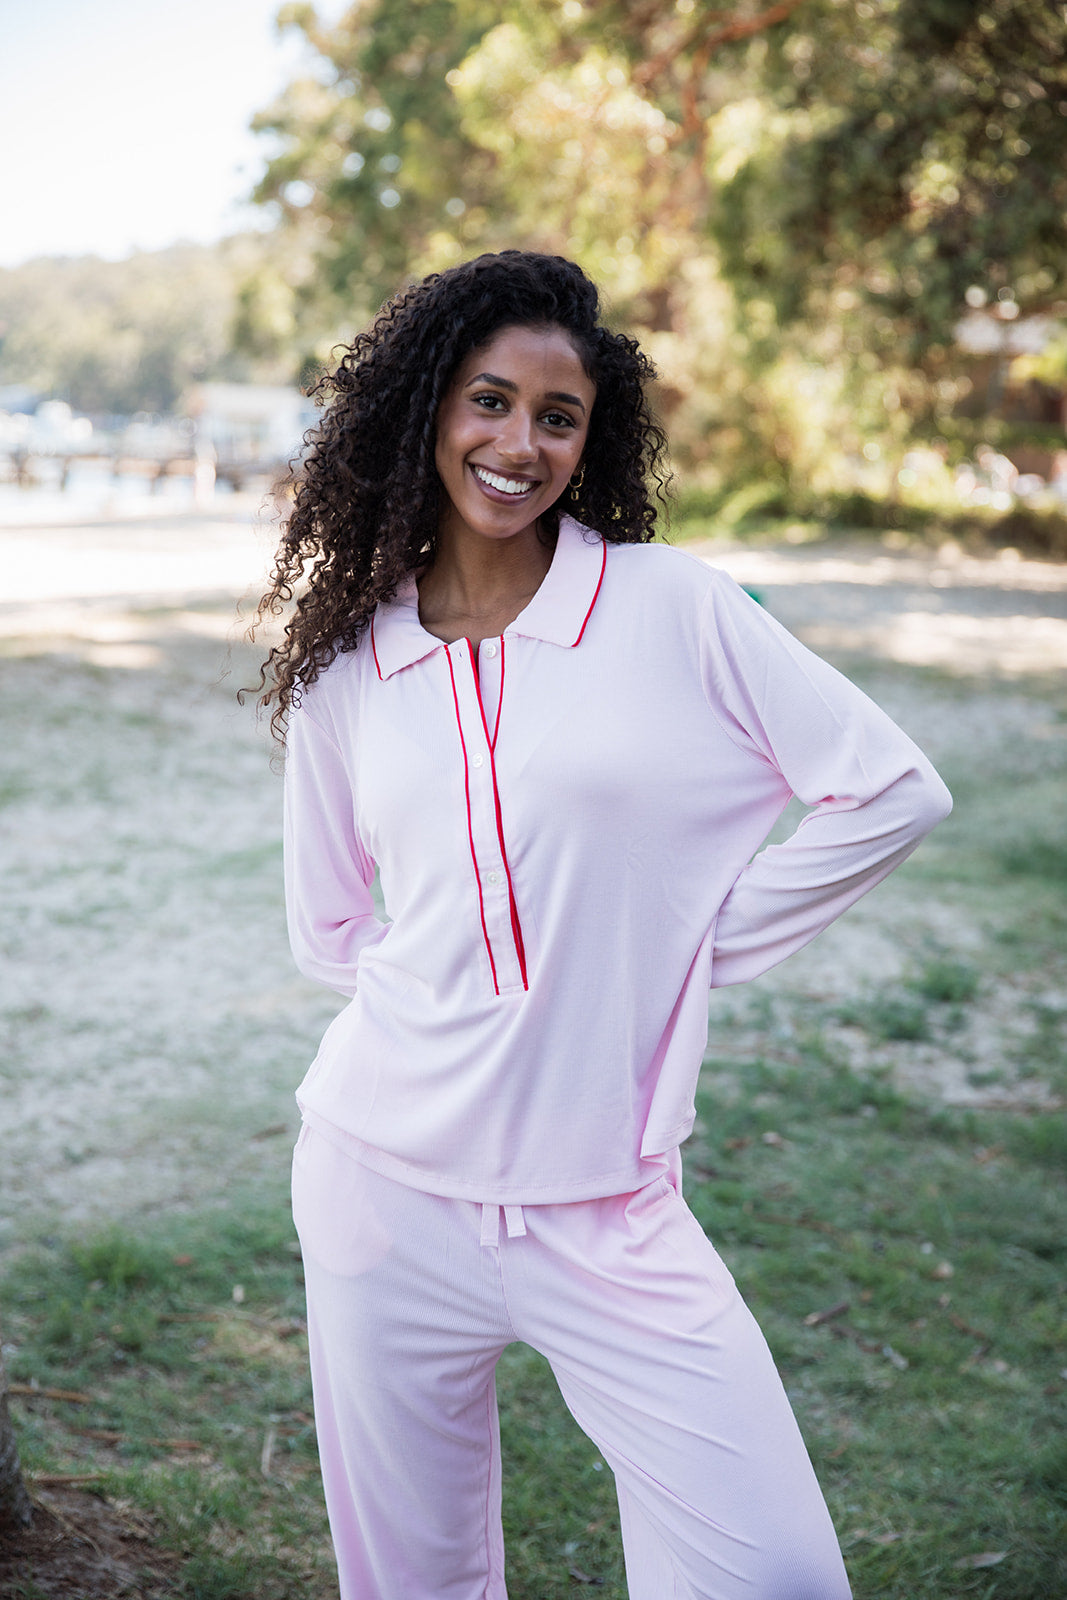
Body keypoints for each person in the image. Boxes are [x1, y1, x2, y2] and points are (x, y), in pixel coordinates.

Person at [251, 250, 951, 1600]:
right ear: (425, 410)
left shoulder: (669, 607)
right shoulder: (348, 662)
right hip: (378, 1193)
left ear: (592, 439)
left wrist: (690, 938)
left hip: (607, 1207)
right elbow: (330, 931)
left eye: (557, 416)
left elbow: (891, 790)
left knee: (778, 1576)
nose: (519, 443)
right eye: (489, 401)